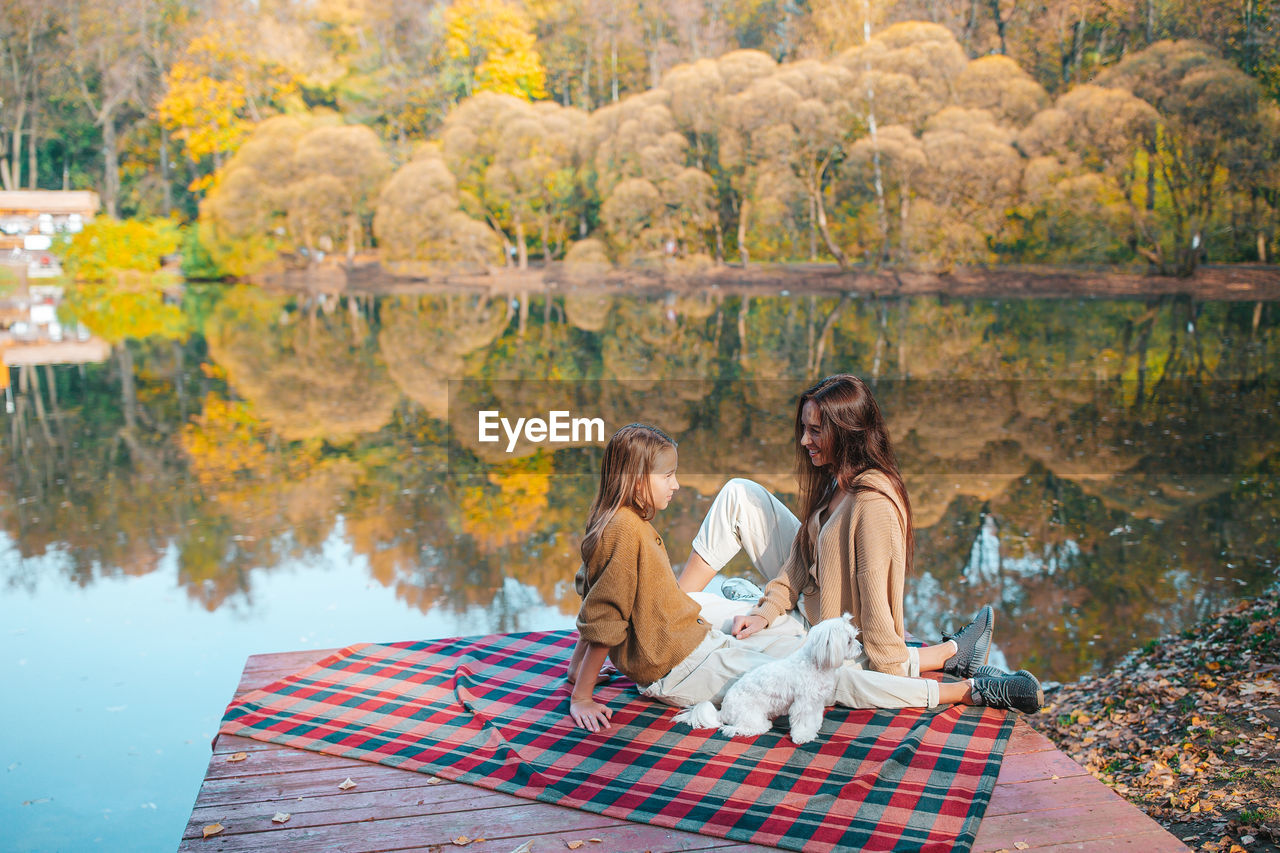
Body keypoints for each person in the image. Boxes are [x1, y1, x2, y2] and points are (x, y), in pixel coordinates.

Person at [566, 422, 1042, 733]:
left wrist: (575, 676)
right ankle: (968, 690)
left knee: (813, 664)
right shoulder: (627, 533)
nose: (676, 485)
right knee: (826, 682)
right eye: (667, 476)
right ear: (635, 479)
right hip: (688, 666)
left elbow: (597, 603)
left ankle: (947, 657)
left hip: (699, 651)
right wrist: (582, 693)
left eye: (815, 429)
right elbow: (604, 617)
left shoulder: (617, 525)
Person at [676, 374, 1019, 685]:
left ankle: (951, 653)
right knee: (738, 493)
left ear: (846, 431)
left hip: (823, 633)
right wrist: (765, 611)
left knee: (695, 621)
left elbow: (874, 602)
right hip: (808, 600)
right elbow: (799, 559)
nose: (803, 441)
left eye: (814, 431)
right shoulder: (838, 478)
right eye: (804, 428)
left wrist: (899, 667)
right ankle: (673, 603)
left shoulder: (872, 503)